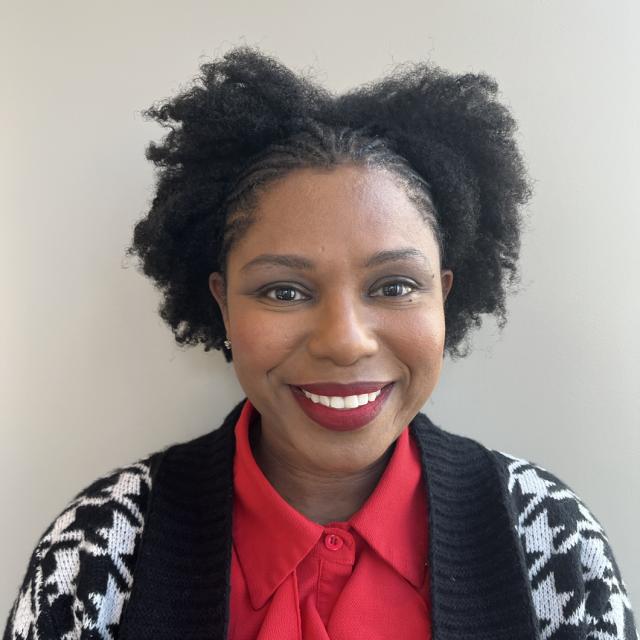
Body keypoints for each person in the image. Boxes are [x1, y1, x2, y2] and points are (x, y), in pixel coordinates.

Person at [3, 46, 637, 640]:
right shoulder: (100, 550)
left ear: (443, 295)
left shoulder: (549, 540)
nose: (344, 342)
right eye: (284, 291)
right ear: (223, 303)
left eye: (393, 285)